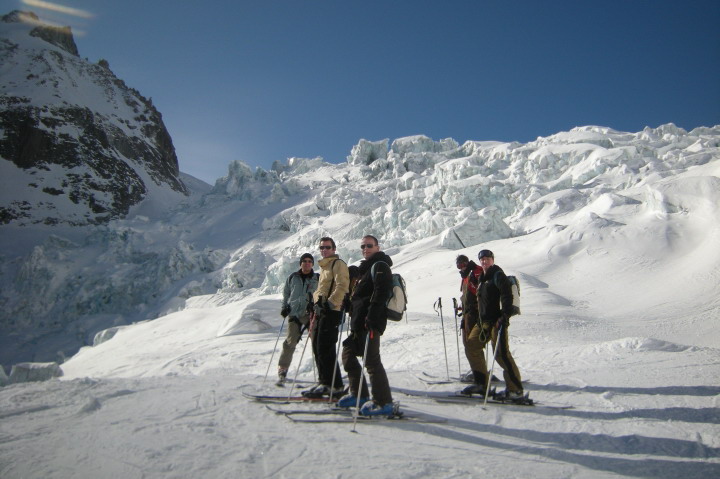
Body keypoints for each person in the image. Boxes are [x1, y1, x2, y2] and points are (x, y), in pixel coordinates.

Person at [337, 235, 395, 415]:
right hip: (359, 323)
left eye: (369, 245)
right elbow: (362, 296)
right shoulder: (365, 269)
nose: (366, 249)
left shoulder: (380, 266)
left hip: (370, 323)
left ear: (377, 247)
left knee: (372, 362)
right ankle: (359, 394)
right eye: (363, 246)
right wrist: (349, 304)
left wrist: (371, 316)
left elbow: (381, 292)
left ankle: (383, 402)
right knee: (348, 353)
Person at [474, 249, 525, 400]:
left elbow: (507, 296)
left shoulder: (498, 275)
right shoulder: (482, 278)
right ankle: (482, 383)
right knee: (472, 345)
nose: (484, 261)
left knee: (502, 354)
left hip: (497, 322)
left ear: (493, 260)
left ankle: (515, 390)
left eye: (487, 259)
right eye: (482, 259)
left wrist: (504, 316)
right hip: (484, 322)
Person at [302, 237, 349, 398]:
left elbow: (342, 285)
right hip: (322, 311)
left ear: (334, 249)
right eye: (322, 247)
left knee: (325, 347)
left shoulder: (338, 264)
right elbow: (321, 289)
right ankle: (326, 382)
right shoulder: (324, 267)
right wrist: (314, 302)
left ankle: (333, 385)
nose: (324, 250)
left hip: (332, 311)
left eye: (327, 247)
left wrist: (329, 303)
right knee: (318, 346)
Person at [277, 253, 319, 385]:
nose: (307, 263)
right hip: (294, 313)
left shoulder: (317, 278)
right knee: (290, 342)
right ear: (300, 263)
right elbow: (286, 293)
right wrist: (285, 307)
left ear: (312, 264)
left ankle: (323, 370)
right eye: (304, 261)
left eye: (309, 261)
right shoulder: (292, 278)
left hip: (311, 314)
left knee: (317, 342)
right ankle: (283, 369)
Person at [454, 255, 486, 391]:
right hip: (468, 314)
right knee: (469, 344)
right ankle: (479, 373)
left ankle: (481, 379)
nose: (462, 267)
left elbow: (481, 292)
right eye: (459, 265)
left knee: (472, 346)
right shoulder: (466, 275)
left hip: (475, 315)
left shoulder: (476, 272)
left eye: (463, 264)